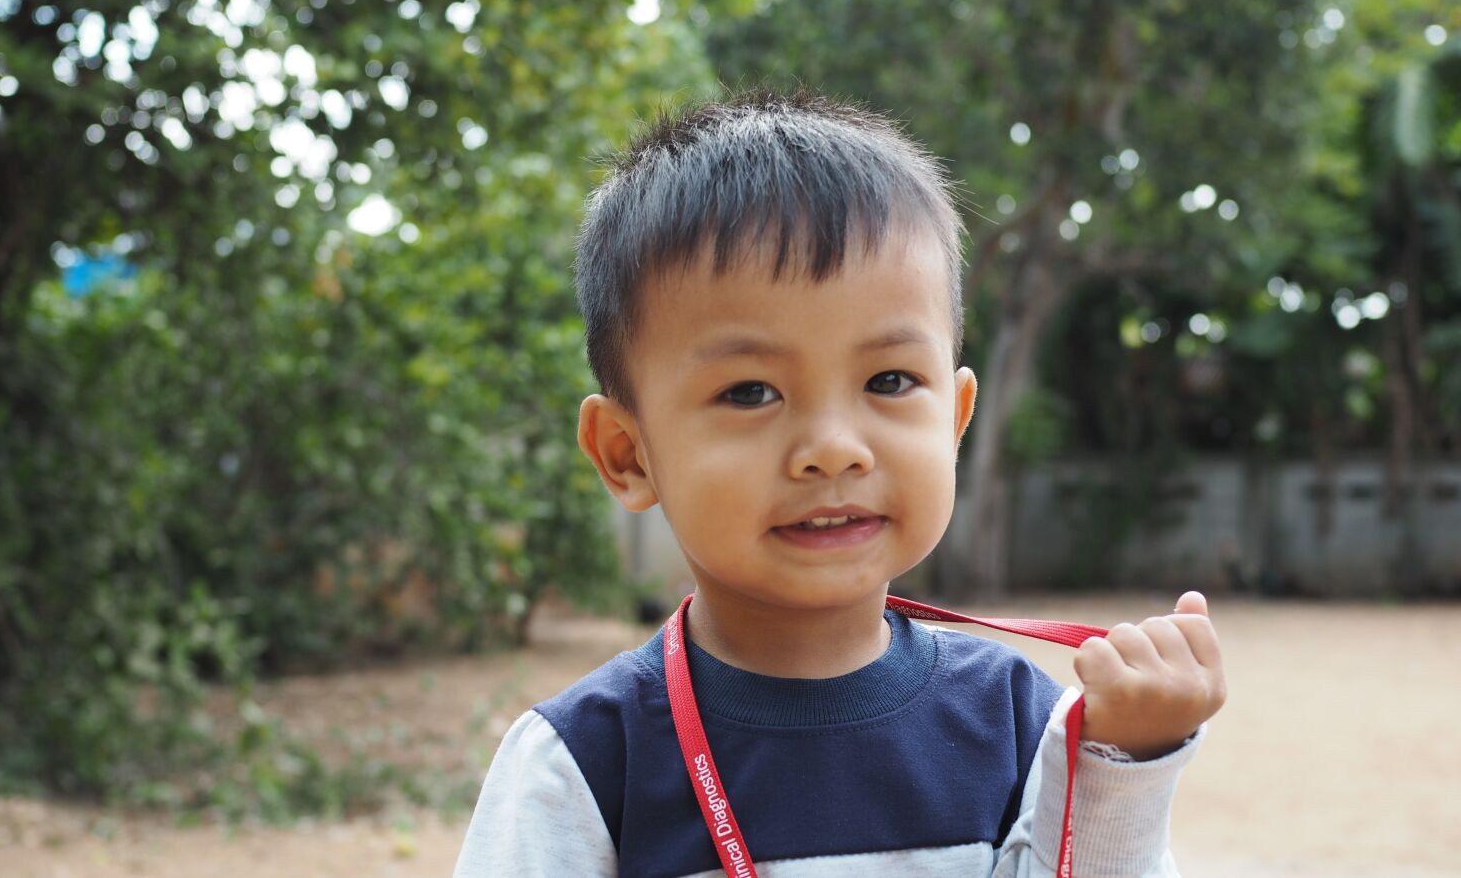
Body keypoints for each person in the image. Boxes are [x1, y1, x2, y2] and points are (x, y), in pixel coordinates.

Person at [453, 85, 1225, 877]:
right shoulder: (583, 763)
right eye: (750, 391)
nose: (833, 449)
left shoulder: (1019, 720)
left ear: (954, 420)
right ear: (627, 452)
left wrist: (1124, 768)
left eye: (890, 380)